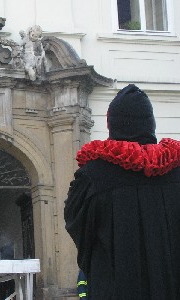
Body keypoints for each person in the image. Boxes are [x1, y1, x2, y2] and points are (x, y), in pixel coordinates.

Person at [64, 84, 180, 299]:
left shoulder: (93, 176)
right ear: (150, 122)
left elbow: (78, 228)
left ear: (112, 124)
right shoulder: (176, 170)